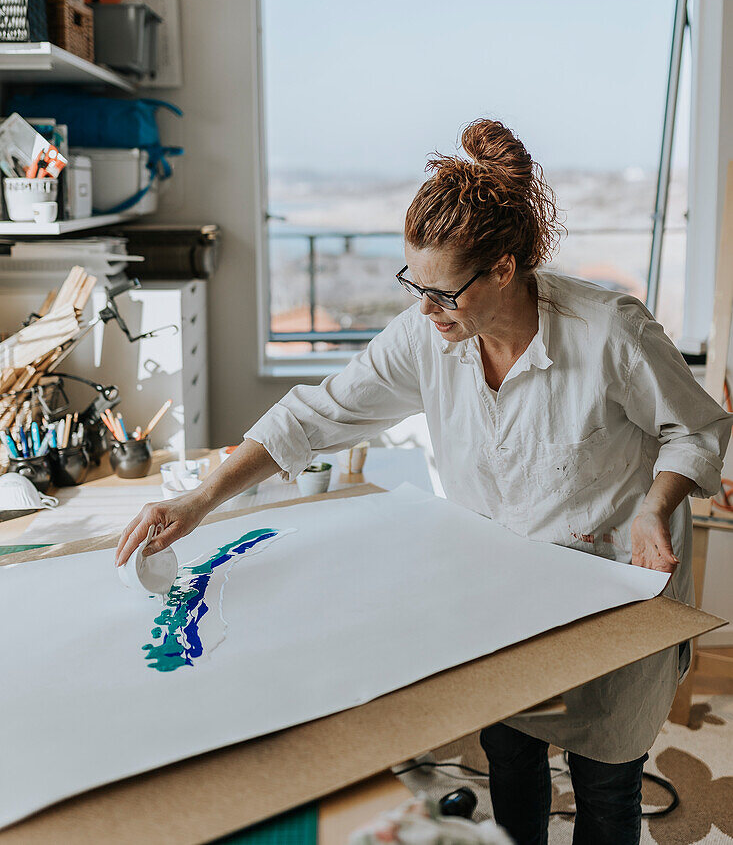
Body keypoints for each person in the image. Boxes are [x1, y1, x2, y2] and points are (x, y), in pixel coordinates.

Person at [117, 119, 732, 845]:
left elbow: (695, 428)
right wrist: (198, 499)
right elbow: (316, 416)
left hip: (616, 582)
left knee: (605, 784)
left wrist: (655, 507)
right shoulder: (427, 335)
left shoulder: (609, 332)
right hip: (506, 589)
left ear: (503, 269)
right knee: (510, 761)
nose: (425, 310)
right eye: (414, 285)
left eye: (443, 293)